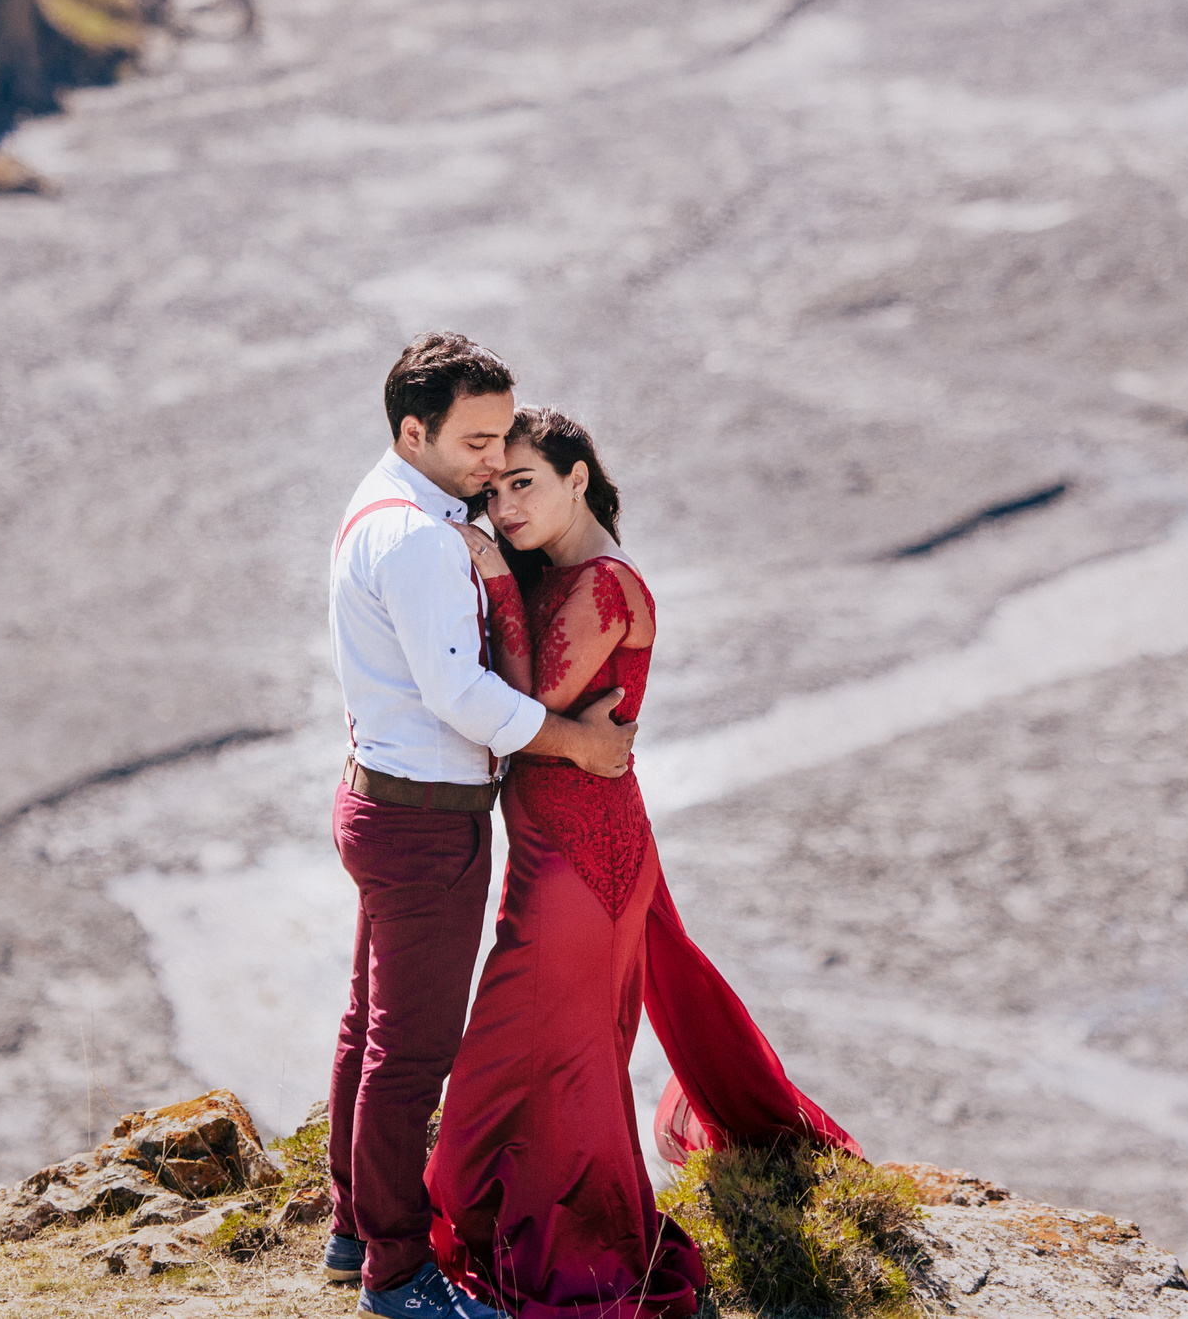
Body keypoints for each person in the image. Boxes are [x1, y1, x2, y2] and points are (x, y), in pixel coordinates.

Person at [426, 406, 860, 1319]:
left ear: (577, 477)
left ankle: (565, 1250)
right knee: (547, 1055)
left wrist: (496, 578)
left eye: (524, 484)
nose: (505, 508)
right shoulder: (562, 573)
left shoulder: (606, 585)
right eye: (495, 491)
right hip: (564, 849)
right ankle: (512, 1220)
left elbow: (521, 704)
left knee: (538, 1057)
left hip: (581, 865)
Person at [326, 337, 643, 1319]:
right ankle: (395, 1273)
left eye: (503, 437)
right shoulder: (422, 538)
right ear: (411, 431)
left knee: (369, 1028)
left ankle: (353, 1227)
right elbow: (461, 694)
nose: (493, 460)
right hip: (424, 824)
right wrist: (577, 743)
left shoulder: (383, 501)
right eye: (474, 442)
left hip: (381, 802)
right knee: (410, 1054)